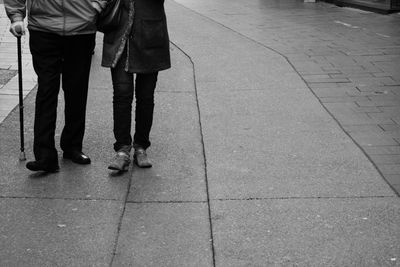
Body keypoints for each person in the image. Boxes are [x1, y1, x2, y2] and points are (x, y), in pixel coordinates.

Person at [4, 0, 107, 172]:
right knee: (46, 90)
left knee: (77, 90)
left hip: (81, 26)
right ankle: (45, 155)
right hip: (44, 27)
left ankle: (73, 146)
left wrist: (97, 4)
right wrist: (16, 17)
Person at [101, 0, 171, 171]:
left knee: (145, 96)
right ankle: (122, 149)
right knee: (122, 94)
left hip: (150, 34)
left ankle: (141, 146)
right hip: (120, 34)